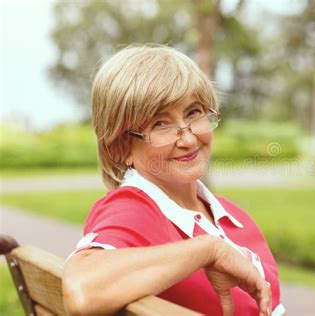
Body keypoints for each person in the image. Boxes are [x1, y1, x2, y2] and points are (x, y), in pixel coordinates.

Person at [63, 44, 286, 316]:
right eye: (160, 124)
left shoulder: (232, 217)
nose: (189, 139)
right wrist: (209, 250)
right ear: (120, 148)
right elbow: (82, 289)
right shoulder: (134, 209)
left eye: (193, 112)